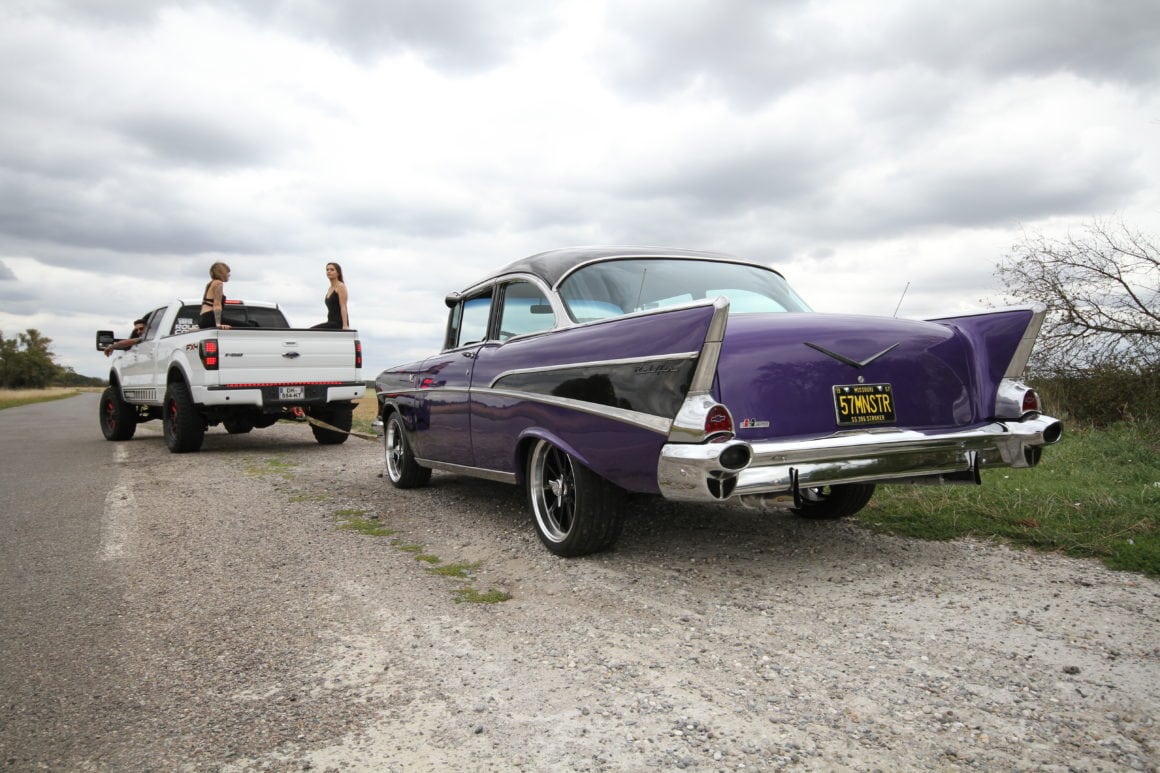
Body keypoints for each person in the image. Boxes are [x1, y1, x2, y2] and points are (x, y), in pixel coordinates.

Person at [312, 261, 349, 329]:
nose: (329, 271)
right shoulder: (330, 288)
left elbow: (343, 307)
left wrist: (345, 326)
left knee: (312, 330)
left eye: (332, 270)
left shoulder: (341, 286)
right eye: (327, 270)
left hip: (338, 324)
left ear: (338, 273)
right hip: (330, 322)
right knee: (311, 331)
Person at [198, 262, 232, 329]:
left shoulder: (209, 284)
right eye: (227, 272)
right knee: (249, 325)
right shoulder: (218, 283)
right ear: (222, 273)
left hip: (203, 318)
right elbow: (217, 304)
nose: (229, 275)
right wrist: (218, 324)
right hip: (211, 318)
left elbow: (204, 303)